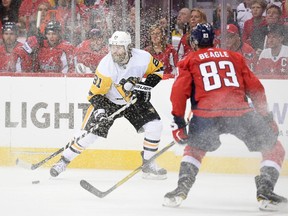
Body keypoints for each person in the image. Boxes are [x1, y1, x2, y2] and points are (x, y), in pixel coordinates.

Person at [163, 23, 287, 211]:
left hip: (206, 115)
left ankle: (180, 190)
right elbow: (256, 89)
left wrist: (179, 123)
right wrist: (266, 117)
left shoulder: (189, 60)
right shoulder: (234, 57)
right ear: (214, 40)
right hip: (240, 113)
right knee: (274, 148)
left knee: (194, 150)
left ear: (194, 42)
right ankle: (265, 191)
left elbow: (179, 93)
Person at [50, 31, 167, 180]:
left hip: (132, 100)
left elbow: (158, 70)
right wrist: (100, 113)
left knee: (155, 125)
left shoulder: (143, 57)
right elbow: (95, 94)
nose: (115, 51)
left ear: (128, 47)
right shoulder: (106, 66)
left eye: (119, 47)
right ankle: (63, 161)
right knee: (88, 135)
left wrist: (144, 88)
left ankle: (148, 164)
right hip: (108, 102)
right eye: (112, 47)